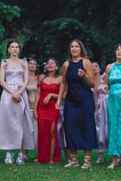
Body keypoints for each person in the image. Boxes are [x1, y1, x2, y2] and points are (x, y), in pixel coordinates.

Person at [57, 39, 98, 169]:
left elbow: (92, 83)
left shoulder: (85, 62)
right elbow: (63, 82)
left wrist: (84, 75)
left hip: (85, 99)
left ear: (81, 49)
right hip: (70, 100)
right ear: (69, 49)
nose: (74, 49)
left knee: (87, 127)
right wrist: (59, 99)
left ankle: (87, 160)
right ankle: (73, 160)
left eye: (77, 46)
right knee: (70, 127)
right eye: (72, 46)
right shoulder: (66, 64)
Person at [0, 39, 35, 165]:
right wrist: (12, 92)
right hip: (7, 94)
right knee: (7, 123)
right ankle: (8, 153)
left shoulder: (24, 62)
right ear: (8, 49)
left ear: (19, 49)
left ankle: (20, 154)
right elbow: (2, 81)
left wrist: (19, 92)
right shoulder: (4, 63)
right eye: (12, 47)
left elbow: (26, 79)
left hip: (21, 93)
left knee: (21, 123)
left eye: (17, 47)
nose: (14, 49)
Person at [35, 58, 62, 164]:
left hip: (53, 107)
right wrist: (35, 109)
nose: (50, 64)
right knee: (42, 132)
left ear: (56, 67)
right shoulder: (41, 77)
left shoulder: (60, 78)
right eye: (48, 63)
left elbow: (63, 95)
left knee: (52, 132)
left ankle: (51, 158)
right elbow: (38, 94)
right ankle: (42, 157)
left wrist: (51, 95)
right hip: (41, 107)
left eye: (53, 63)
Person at [93, 62, 108, 164]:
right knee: (97, 130)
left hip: (107, 106)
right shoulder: (87, 80)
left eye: (96, 66)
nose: (94, 68)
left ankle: (117, 155)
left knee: (109, 129)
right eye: (91, 67)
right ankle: (99, 155)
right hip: (95, 108)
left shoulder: (104, 78)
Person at [26, 58, 40, 144]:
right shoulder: (24, 78)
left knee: (38, 131)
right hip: (26, 107)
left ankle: (40, 154)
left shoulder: (39, 78)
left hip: (37, 107)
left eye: (34, 64)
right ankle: (24, 154)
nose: (32, 65)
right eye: (30, 63)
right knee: (26, 130)